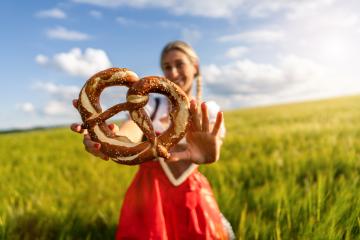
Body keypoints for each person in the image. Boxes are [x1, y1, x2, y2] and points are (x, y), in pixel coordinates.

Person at [71, 40, 234, 239]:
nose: (173, 72)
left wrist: (210, 154)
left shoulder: (208, 111)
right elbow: (130, 132)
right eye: (167, 67)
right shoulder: (150, 105)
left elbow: (213, 148)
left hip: (189, 194)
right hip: (148, 194)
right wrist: (110, 140)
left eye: (179, 64)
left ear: (195, 66)